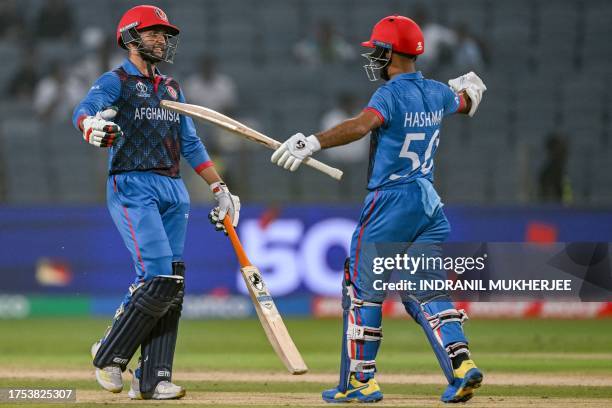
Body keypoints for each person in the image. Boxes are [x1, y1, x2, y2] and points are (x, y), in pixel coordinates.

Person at [271, 16, 486, 403]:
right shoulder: (437, 92)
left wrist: (313, 142)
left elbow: (360, 125)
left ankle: (359, 382)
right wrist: (469, 90)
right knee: (426, 290)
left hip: (391, 201)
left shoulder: (389, 95)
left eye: (377, 51)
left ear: (390, 54)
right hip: (428, 203)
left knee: (361, 289)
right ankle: (462, 364)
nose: (373, 58)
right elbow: (466, 101)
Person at [72, 5, 240, 400]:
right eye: (152, 33)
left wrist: (220, 189)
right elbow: (83, 112)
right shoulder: (116, 81)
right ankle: (110, 354)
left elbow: (192, 144)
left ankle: (153, 378)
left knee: (173, 284)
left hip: (172, 188)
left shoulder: (172, 88)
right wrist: (91, 126)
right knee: (159, 277)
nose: (161, 40)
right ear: (130, 37)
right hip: (133, 186)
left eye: (164, 35)